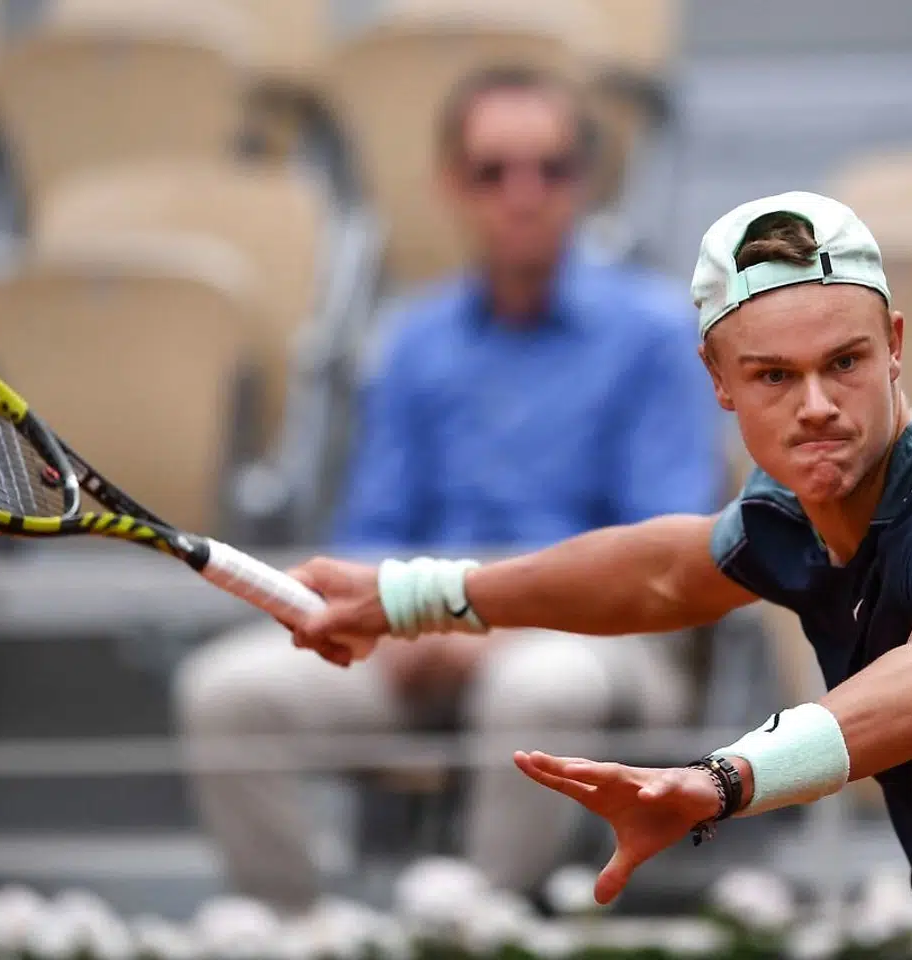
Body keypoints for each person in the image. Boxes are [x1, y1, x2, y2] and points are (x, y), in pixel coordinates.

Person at [280, 191, 912, 957]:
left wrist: (724, 780)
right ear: (718, 380)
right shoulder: (791, 512)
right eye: (772, 377)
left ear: (896, 346)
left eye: (845, 362)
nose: (816, 407)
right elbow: (662, 575)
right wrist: (407, 599)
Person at [175, 66, 719, 910]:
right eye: (493, 171)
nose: (524, 194)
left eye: (550, 168)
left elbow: (659, 559)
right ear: (451, 187)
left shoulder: (655, 333)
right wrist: (416, 619)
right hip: (422, 630)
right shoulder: (413, 343)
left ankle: (471, 929)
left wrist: (478, 613)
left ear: (587, 182)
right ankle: (304, 935)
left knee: (544, 685)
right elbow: (373, 530)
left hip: (599, 639)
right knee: (227, 693)